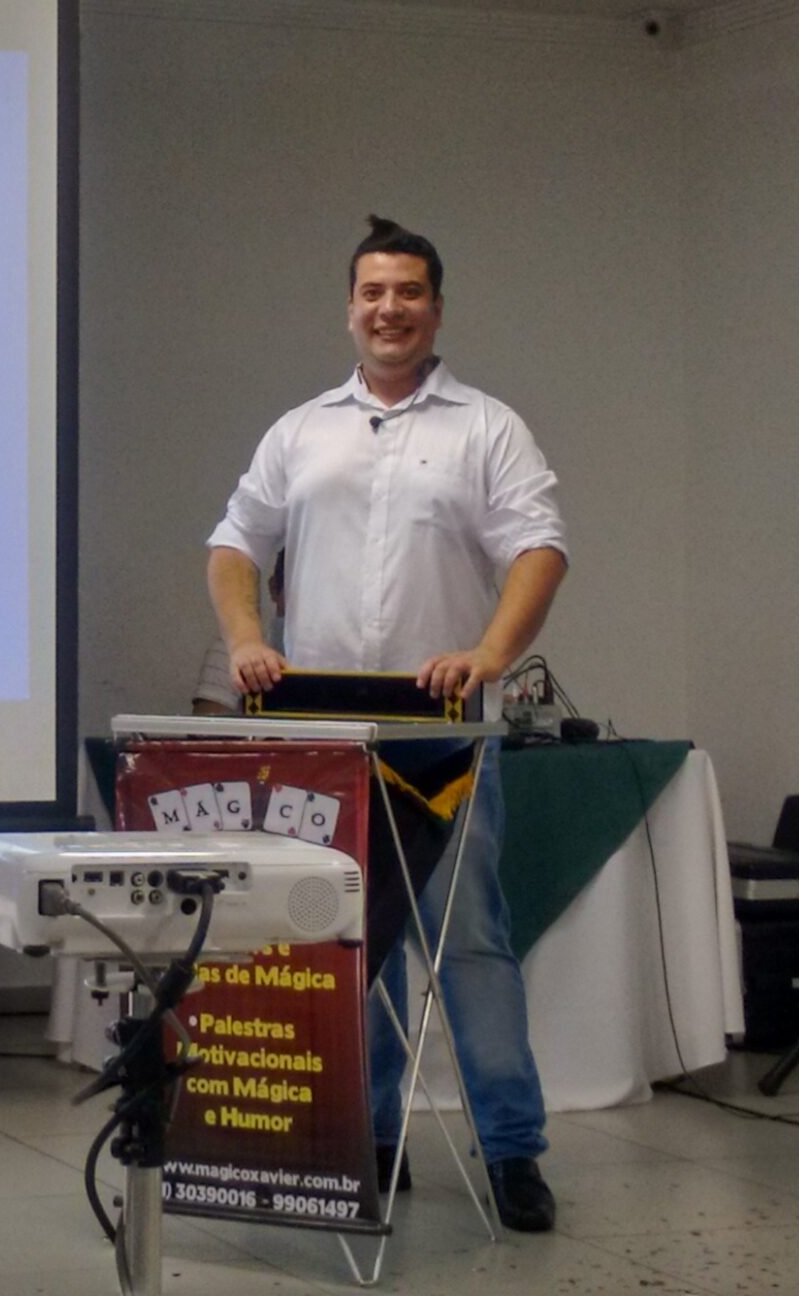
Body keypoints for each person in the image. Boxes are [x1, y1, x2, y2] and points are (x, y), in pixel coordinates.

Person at [204, 214, 569, 1233]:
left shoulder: (487, 427)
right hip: (322, 739)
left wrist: (489, 656)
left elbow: (539, 547)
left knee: (470, 943)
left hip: (442, 735)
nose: (389, 308)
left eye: (408, 292)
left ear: (436, 309)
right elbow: (234, 542)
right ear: (349, 309)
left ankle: (512, 1151)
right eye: (372, 292)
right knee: (343, 941)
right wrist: (246, 637)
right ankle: (366, 1139)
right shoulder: (300, 430)